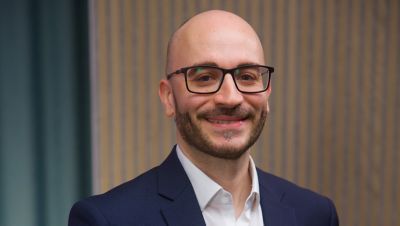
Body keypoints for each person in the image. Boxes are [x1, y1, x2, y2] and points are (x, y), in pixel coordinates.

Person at [69, 10, 339, 226]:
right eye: (205, 78)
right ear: (168, 97)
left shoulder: (314, 215)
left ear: (266, 93)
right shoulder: (107, 220)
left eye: (247, 76)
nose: (230, 98)